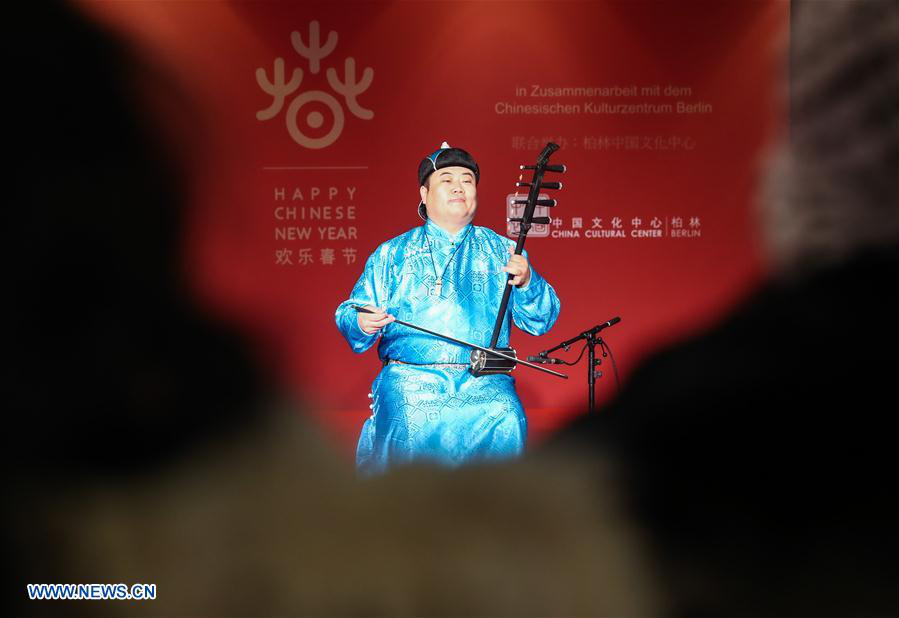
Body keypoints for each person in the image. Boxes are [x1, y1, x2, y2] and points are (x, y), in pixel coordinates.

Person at [335, 143, 560, 474]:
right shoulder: (392, 253)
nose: (459, 187)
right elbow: (348, 312)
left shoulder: (504, 251)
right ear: (424, 194)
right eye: (447, 180)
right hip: (411, 380)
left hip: (483, 381)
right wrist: (361, 320)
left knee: (507, 413)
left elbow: (542, 320)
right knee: (410, 420)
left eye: (467, 181)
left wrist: (528, 281)